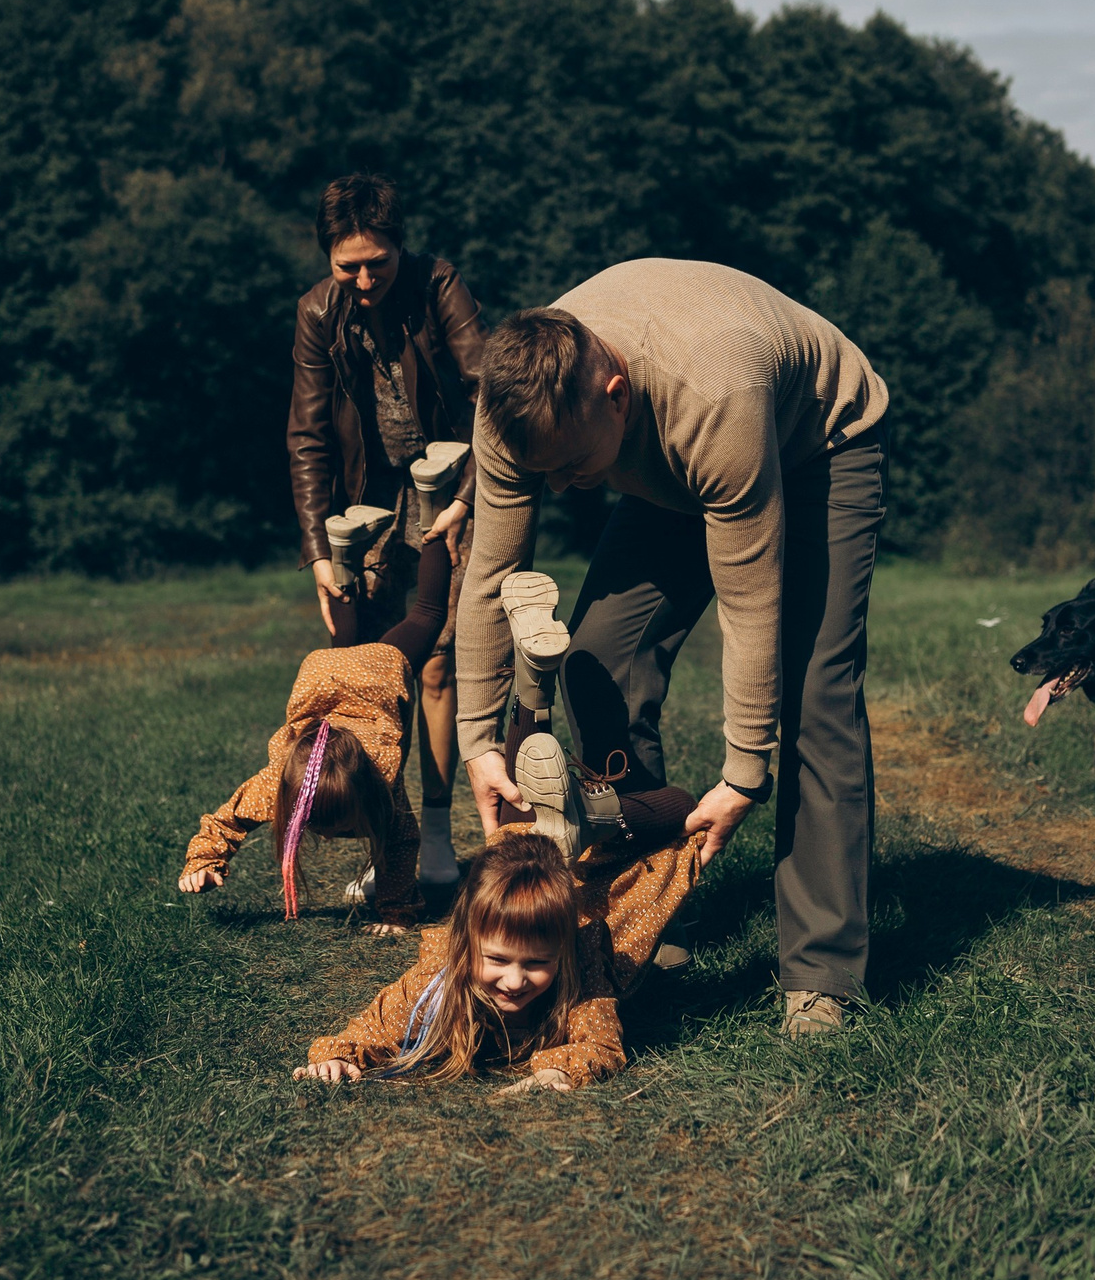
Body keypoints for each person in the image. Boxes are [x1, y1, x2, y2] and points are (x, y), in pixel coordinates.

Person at [454, 259, 887, 1038]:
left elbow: (751, 599)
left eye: (571, 466)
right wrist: (479, 742)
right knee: (597, 662)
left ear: (613, 395)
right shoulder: (512, 400)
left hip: (815, 442)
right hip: (676, 465)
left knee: (814, 693)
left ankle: (824, 972)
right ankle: (655, 910)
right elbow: (491, 570)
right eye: (541, 471)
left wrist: (744, 769)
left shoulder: (712, 390)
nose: (559, 489)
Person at [288, 175, 488, 900]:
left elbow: (485, 391)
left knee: (435, 665)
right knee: (370, 676)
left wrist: (468, 496)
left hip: (447, 490)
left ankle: (436, 838)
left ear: (400, 247)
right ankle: (389, 842)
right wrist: (318, 551)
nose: (366, 278)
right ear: (329, 260)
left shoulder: (440, 285)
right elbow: (308, 437)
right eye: (350, 265)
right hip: (361, 509)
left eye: (380, 261)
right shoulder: (316, 313)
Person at [178, 534, 455, 933]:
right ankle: (343, 550)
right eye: (317, 825)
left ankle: (433, 526)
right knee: (346, 643)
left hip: (375, 672)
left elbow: (399, 845)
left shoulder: (381, 786)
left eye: (338, 824)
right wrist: (203, 861)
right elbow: (229, 819)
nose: (328, 836)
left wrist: (397, 914)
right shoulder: (279, 782)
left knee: (427, 616)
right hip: (324, 679)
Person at [295, 834, 622, 1091]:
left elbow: (602, 1044)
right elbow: (371, 1029)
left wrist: (556, 1070)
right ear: (465, 944)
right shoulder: (436, 979)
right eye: (497, 959)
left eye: (537, 963)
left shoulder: (580, 966)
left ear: (562, 953)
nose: (515, 981)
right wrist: (336, 1058)